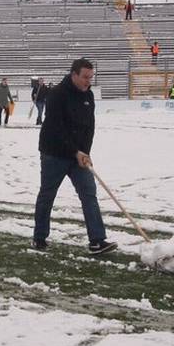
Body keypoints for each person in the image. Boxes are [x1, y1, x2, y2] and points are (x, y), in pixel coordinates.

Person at [33, 58, 116, 255]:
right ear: (74, 75)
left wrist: (85, 152)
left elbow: (89, 127)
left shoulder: (88, 96)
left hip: (78, 155)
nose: (88, 81)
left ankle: (97, 240)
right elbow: (56, 129)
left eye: (91, 77)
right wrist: (74, 152)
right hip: (53, 153)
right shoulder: (57, 95)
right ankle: (39, 237)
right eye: (85, 77)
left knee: (89, 193)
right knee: (47, 194)